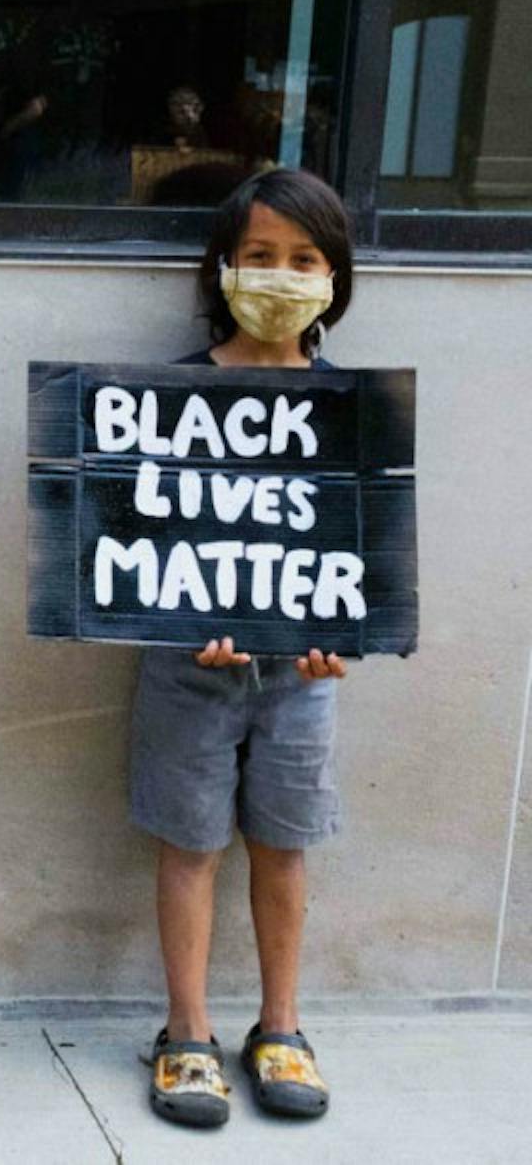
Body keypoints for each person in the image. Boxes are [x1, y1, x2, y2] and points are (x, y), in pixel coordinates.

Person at [133, 168, 355, 1129]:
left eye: (303, 260)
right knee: (190, 843)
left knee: (285, 844)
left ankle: (281, 1026)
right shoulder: (172, 396)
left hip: (303, 681)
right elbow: (136, 543)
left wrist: (347, 636)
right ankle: (185, 1031)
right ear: (222, 270)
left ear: (335, 278)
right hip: (190, 671)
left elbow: (360, 545)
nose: (281, 276)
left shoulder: (352, 405)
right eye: (260, 257)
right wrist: (190, 624)